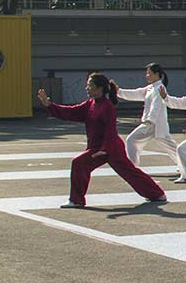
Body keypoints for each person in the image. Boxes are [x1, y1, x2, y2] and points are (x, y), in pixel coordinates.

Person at [38, 75, 167, 208]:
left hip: (109, 148)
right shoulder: (91, 103)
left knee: (81, 163)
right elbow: (72, 112)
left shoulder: (107, 107)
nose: (87, 88)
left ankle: (76, 200)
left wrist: (104, 150)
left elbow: (110, 130)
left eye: (90, 86)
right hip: (101, 148)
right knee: (128, 172)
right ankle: (156, 194)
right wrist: (50, 105)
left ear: (99, 88)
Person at [118, 63, 181, 172]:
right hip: (152, 124)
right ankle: (185, 165)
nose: (147, 75)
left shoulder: (160, 88)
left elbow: (156, 105)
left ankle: (132, 168)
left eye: (149, 73)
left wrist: (150, 119)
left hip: (153, 123)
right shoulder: (151, 87)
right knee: (170, 147)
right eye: (146, 73)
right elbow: (136, 94)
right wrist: (119, 91)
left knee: (132, 140)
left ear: (157, 74)